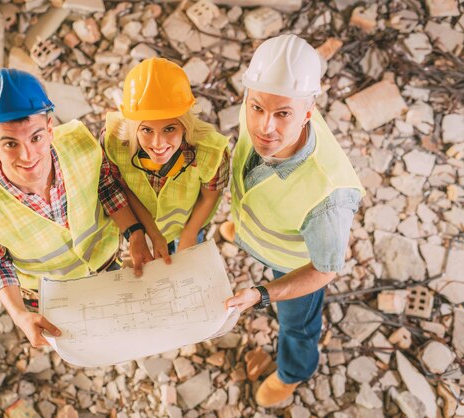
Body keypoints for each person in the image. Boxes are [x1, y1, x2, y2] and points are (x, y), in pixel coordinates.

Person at [0, 69, 152, 348]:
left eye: (36, 138)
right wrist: (21, 316)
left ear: (49, 129)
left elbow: (106, 187)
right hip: (47, 291)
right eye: (11, 144)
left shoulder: (80, 145)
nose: (27, 156)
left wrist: (134, 234)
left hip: (105, 261)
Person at [224, 34, 365, 407]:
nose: (265, 127)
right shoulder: (261, 102)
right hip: (262, 230)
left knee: (298, 326)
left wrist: (262, 295)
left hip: (292, 263)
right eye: (256, 108)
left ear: (308, 111)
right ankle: (245, 234)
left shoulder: (328, 197)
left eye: (283, 113)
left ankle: (293, 373)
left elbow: (323, 271)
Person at [103, 57, 230, 259]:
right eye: (146, 130)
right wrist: (152, 234)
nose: (158, 143)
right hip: (143, 224)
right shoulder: (115, 142)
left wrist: (189, 234)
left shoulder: (212, 151)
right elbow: (123, 188)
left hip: (188, 222)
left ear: (185, 124)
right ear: (133, 126)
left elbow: (209, 197)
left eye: (169, 128)